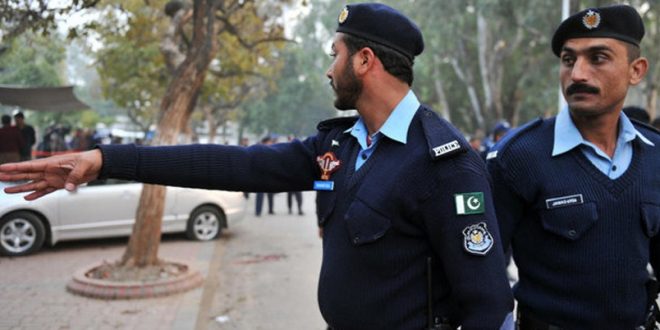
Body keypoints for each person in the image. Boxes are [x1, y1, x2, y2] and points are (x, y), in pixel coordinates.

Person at [0, 3, 514, 329]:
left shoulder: (444, 163)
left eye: (335, 54)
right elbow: (235, 165)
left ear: (365, 62)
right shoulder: (345, 144)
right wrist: (107, 159)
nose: (327, 68)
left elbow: (489, 306)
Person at [487, 5, 658, 329]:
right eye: (569, 60)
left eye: (598, 58)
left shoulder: (655, 155)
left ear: (636, 71)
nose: (577, 73)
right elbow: (482, 269)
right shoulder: (519, 157)